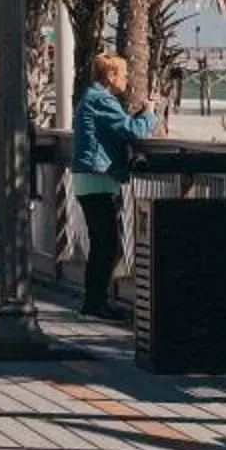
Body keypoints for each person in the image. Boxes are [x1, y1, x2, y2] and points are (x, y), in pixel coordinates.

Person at [71, 51, 157, 320]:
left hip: (90, 178)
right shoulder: (101, 100)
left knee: (102, 243)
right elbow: (133, 131)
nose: (126, 79)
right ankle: (96, 302)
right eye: (123, 73)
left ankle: (94, 301)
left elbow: (118, 127)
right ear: (110, 75)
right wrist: (150, 114)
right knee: (106, 244)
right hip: (98, 178)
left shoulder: (92, 98)